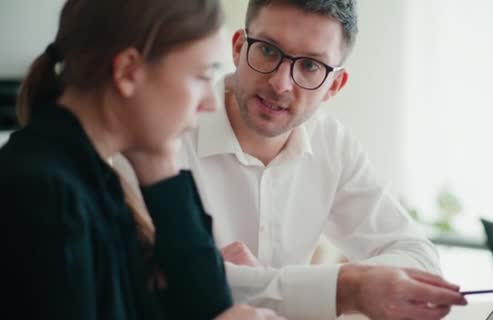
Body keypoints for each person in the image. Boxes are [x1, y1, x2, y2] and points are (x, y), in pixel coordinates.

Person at [171, 0, 468, 319]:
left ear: (334, 86)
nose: (280, 83)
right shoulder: (168, 133)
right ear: (238, 48)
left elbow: (420, 258)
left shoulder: (333, 145)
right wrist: (335, 288)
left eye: (310, 66)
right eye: (268, 51)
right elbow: (159, 281)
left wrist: (264, 284)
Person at [0, 0, 283, 319]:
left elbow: (209, 306)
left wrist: (160, 166)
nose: (210, 102)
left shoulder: (91, 179)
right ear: (128, 71)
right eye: (202, 77)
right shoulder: (45, 196)